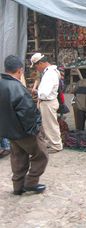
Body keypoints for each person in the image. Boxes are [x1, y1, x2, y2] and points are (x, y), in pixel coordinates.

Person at [0, 55, 48, 195]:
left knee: (18, 157)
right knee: (41, 154)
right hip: (23, 131)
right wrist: (35, 129)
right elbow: (27, 112)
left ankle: (18, 186)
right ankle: (30, 183)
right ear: (20, 71)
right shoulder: (17, 88)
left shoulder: (2, 84)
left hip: (9, 131)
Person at [30, 53, 63, 153]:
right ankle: (51, 143)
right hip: (48, 102)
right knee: (47, 125)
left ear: (40, 63)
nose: (36, 69)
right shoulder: (50, 72)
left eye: (36, 66)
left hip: (48, 102)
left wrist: (36, 92)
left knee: (50, 125)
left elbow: (44, 93)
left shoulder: (50, 73)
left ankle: (56, 145)